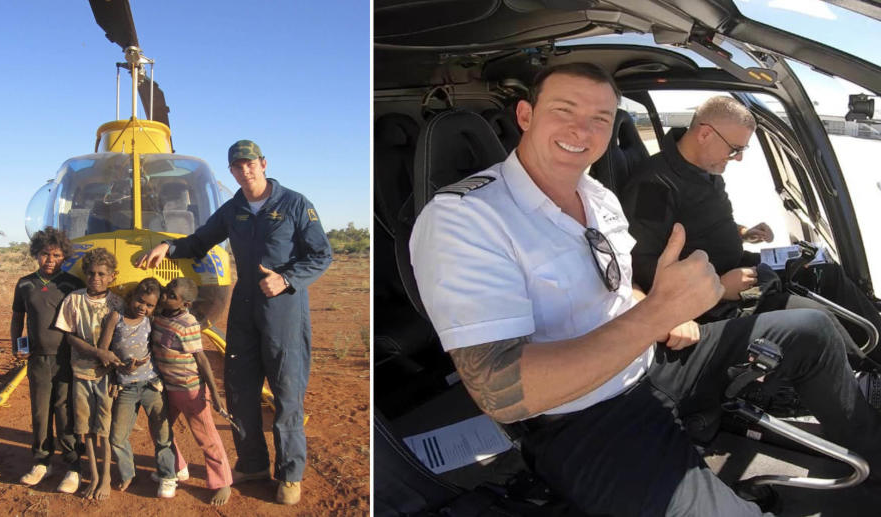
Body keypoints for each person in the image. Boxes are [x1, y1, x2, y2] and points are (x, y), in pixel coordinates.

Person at [409, 63, 881, 516]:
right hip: (583, 415)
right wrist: (657, 313)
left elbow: (616, 286)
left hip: (652, 361)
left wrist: (658, 308)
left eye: (600, 119)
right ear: (526, 116)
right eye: (564, 110)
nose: (582, 131)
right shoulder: (464, 219)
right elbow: (500, 392)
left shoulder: (599, 196)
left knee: (812, 327)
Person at [138, 139, 332, 505]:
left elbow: (322, 254)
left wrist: (287, 278)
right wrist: (169, 247)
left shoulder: (294, 203)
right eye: (237, 166)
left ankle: (289, 474)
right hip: (244, 304)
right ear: (231, 171)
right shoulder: (234, 209)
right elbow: (200, 241)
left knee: (286, 390)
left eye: (250, 163)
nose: (245, 170)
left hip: (284, 306)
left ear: (263, 163)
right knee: (241, 387)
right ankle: (253, 463)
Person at [620, 95, 881, 357]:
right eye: (734, 149)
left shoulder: (703, 167)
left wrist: (743, 232)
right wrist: (719, 288)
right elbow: (641, 268)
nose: (738, 158)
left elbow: (703, 225)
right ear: (705, 134)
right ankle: (865, 375)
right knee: (819, 319)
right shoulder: (654, 186)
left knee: (825, 270)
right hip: (711, 298)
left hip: (739, 269)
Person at [10, 227, 85, 492]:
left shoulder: (72, 285)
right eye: (44, 254)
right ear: (36, 254)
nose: (50, 260)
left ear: (64, 256)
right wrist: (17, 345)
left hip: (66, 360)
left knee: (66, 414)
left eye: (56, 255)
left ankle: (73, 466)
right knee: (41, 413)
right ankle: (42, 462)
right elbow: (19, 317)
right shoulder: (25, 283)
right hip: (39, 360)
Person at [151, 277, 233, 505]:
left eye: (171, 296)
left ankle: (222, 481)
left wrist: (214, 395)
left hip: (190, 390)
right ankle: (176, 467)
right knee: (160, 429)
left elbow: (202, 359)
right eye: (166, 291)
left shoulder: (189, 323)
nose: (165, 296)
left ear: (185, 304)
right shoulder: (158, 315)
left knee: (205, 437)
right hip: (167, 387)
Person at [99, 277, 180, 500]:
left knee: (163, 434)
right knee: (117, 436)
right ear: (131, 297)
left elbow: (159, 346)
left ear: (155, 307)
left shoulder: (151, 320)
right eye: (140, 301)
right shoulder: (117, 318)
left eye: (149, 305)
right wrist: (120, 365)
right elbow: (104, 351)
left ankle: (167, 476)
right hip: (126, 387)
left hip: (151, 385)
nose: (143, 308)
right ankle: (128, 473)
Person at [54, 247, 124, 500]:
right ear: (85, 274)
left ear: (112, 276)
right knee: (86, 430)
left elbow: (122, 343)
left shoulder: (118, 304)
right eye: (92, 273)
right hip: (80, 374)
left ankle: (105, 478)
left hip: (106, 376)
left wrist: (116, 374)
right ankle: (93, 475)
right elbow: (69, 336)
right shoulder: (74, 299)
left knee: (103, 431)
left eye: (102, 274)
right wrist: (98, 353)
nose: (96, 278)